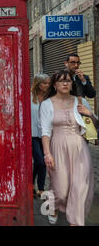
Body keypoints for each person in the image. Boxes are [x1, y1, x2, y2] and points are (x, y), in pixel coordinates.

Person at [40, 70, 97, 226]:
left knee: (80, 188)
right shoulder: (46, 104)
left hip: (79, 148)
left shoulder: (80, 102)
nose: (65, 83)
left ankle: (76, 222)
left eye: (68, 81)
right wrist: (47, 154)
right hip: (57, 146)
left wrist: (90, 114)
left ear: (72, 84)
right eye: (61, 81)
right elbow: (45, 132)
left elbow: (94, 125)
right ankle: (53, 206)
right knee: (61, 189)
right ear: (55, 85)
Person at [30, 74, 50, 198]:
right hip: (32, 133)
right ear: (38, 83)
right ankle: (37, 186)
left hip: (45, 134)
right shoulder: (29, 96)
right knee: (40, 161)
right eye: (44, 83)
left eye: (48, 83)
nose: (47, 86)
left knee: (41, 162)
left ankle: (38, 187)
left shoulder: (50, 97)